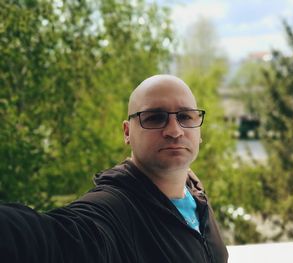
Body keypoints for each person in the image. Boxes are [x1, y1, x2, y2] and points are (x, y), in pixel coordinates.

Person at [0, 74, 228, 263]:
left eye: (185, 117)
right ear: (127, 132)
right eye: (155, 118)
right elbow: (55, 239)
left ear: (199, 131)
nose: (174, 130)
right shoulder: (113, 211)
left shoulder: (195, 194)